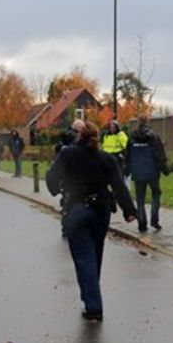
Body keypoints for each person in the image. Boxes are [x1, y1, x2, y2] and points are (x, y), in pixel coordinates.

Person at [46, 120, 136, 321]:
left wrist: (56, 189)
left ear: (79, 136)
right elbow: (119, 185)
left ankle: (93, 306)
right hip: (101, 210)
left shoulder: (68, 154)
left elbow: (52, 177)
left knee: (84, 259)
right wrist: (129, 211)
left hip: (77, 209)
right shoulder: (106, 159)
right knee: (95, 257)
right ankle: (91, 297)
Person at [126, 114, 169, 232]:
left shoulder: (132, 137)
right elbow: (160, 155)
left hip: (138, 172)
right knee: (156, 194)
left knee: (140, 199)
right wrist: (165, 169)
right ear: (148, 121)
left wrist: (127, 171)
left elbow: (128, 156)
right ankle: (154, 220)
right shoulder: (154, 137)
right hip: (152, 172)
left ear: (138, 122)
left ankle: (142, 224)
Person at [54, 120, 85, 238]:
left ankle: (67, 226)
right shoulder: (75, 139)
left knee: (67, 201)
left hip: (66, 177)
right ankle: (70, 226)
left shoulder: (62, 141)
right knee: (72, 201)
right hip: (73, 177)